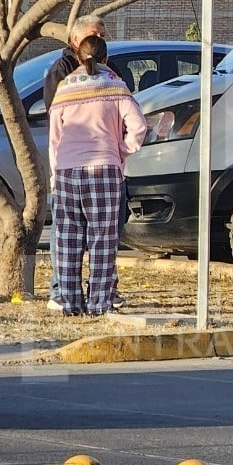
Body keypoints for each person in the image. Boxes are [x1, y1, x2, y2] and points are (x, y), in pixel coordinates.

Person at [48, 36, 147, 315]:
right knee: (102, 239)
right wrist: (122, 150)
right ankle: (99, 303)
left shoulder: (64, 88)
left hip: (66, 170)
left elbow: (54, 139)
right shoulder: (116, 86)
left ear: (78, 57)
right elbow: (139, 127)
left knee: (67, 239)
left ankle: (70, 303)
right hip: (105, 168)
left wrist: (55, 175)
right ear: (106, 58)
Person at [42, 15, 121, 311]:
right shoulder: (62, 71)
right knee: (71, 234)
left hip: (96, 163)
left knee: (101, 233)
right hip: (80, 165)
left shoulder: (111, 73)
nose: (99, 38)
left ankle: (102, 292)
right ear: (75, 40)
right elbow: (55, 121)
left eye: (102, 34)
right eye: (93, 34)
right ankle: (62, 291)